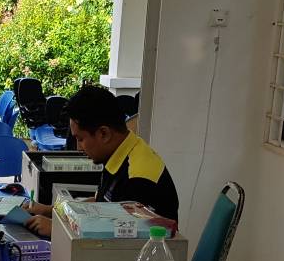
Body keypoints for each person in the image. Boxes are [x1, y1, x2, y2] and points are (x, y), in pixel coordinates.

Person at [24, 85, 179, 237]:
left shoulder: (138, 179)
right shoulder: (120, 152)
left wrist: (58, 229)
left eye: (80, 139)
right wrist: (50, 211)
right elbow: (100, 204)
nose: (78, 147)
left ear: (104, 134)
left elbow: (120, 240)